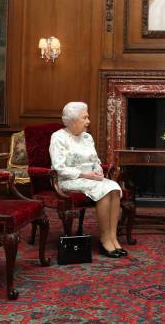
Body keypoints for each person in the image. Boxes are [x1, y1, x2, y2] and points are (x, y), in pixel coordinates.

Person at [49, 102, 127, 258]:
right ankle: (104, 239)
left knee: (114, 188)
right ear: (72, 120)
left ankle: (113, 238)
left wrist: (98, 172)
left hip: (91, 179)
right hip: (69, 180)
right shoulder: (58, 137)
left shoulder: (87, 137)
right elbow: (59, 168)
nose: (88, 121)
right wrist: (86, 175)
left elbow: (95, 161)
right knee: (104, 190)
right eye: (85, 117)